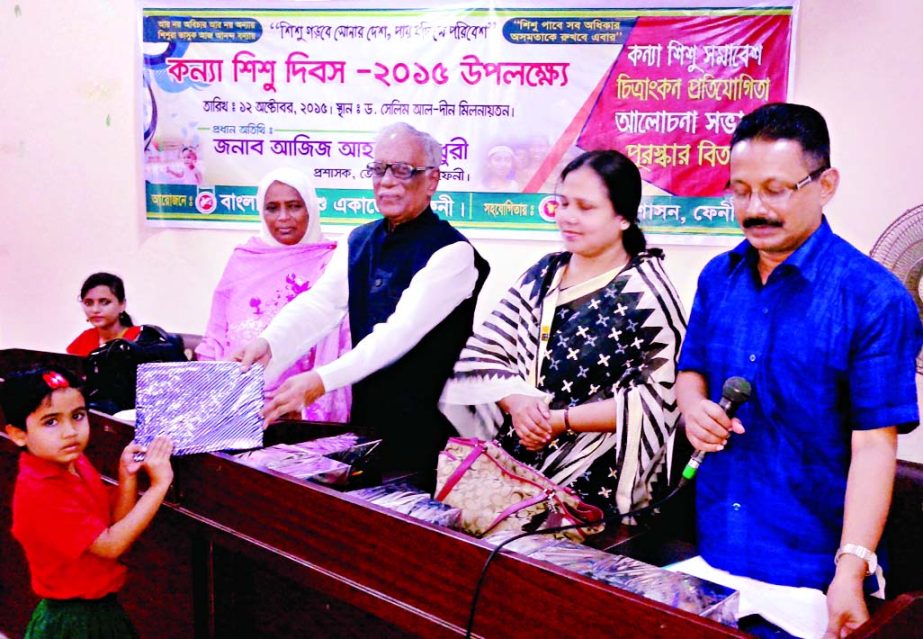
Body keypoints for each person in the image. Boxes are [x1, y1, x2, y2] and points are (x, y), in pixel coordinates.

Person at [676, 103, 923, 638]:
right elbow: (690, 370)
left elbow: (874, 447)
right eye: (739, 190)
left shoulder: (872, 299)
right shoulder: (717, 277)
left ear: (826, 184)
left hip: (809, 575)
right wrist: (693, 408)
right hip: (715, 552)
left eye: (775, 189)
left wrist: (850, 572)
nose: (754, 208)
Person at [440, 150, 686, 516]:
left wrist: (560, 421)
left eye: (586, 208)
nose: (568, 217)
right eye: (563, 203)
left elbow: (657, 400)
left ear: (623, 217)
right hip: (514, 472)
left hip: (596, 490)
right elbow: (486, 353)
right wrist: (517, 403)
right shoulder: (545, 273)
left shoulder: (648, 295)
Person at [237, 122, 489, 473]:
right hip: (368, 423)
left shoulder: (452, 253)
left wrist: (321, 381)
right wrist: (270, 343)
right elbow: (321, 303)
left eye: (402, 170)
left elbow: (397, 334)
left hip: (430, 432)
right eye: (378, 169)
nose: (386, 181)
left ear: (432, 180)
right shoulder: (359, 240)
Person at [0, 367, 173, 638]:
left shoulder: (73, 461)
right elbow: (111, 545)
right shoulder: (41, 489)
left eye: (77, 416)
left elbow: (111, 522)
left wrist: (126, 477)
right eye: (51, 422)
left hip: (99, 609)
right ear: (19, 434)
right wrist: (158, 486)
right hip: (72, 620)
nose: (70, 432)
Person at [195, 168, 351, 422]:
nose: (283, 217)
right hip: (236, 407)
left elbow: (339, 340)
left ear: (310, 208)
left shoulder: (331, 261)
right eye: (272, 208)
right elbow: (215, 335)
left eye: (294, 206)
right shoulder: (243, 260)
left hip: (300, 409)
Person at [67, 273, 140, 356]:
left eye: (105, 302)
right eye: (88, 303)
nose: (95, 309)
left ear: (122, 305)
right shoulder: (85, 339)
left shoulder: (139, 338)